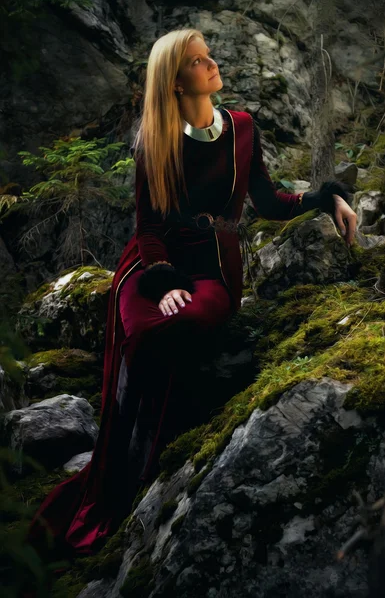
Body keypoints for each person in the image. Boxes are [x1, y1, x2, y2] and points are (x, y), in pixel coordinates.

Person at [25, 28, 357, 562]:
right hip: (152, 265)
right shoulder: (154, 139)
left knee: (179, 326)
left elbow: (268, 201)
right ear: (176, 84)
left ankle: (141, 468)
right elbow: (148, 227)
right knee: (146, 329)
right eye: (199, 62)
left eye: (209, 57)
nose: (212, 64)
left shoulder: (243, 128)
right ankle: (115, 479)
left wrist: (328, 198)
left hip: (215, 270)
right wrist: (162, 277)